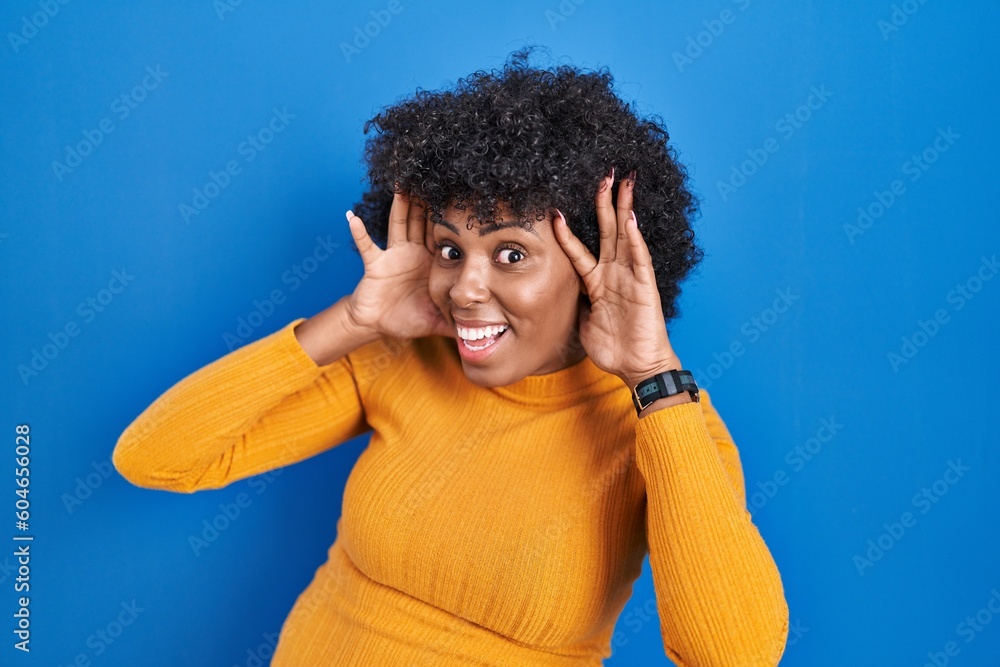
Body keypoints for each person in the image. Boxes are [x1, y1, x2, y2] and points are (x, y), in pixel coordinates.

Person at [113, 47, 789, 666]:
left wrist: (652, 379)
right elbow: (157, 457)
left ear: (594, 264)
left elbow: (732, 652)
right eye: (449, 248)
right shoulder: (402, 360)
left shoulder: (663, 423)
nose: (465, 286)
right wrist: (351, 322)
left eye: (511, 254)